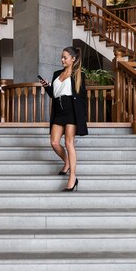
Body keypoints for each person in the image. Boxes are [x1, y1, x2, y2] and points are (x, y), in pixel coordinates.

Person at [38, 46, 88, 192]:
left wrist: (81, 117)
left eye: (65, 57)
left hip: (71, 111)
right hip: (59, 111)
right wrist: (47, 87)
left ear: (73, 59)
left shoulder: (79, 75)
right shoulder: (56, 74)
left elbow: (82, 98)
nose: (62, 60)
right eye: (62, 57)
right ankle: (67, 162)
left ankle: (72, 177)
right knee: (54, 142)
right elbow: (54, 94)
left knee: (68, 143)